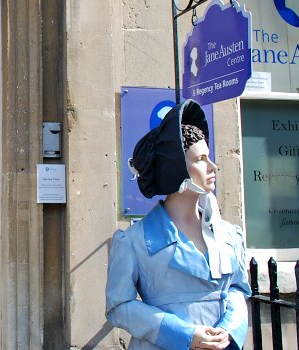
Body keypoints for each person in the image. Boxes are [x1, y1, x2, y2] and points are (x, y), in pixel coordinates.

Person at [105, 99, 250, 350]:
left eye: (209, 157)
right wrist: (183, 334)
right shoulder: (134, 241)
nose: (212, 166)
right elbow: (119, 306)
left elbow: (238, 289)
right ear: (176, 168)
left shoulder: (229, 234)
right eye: (200, 159)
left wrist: (227, 330)